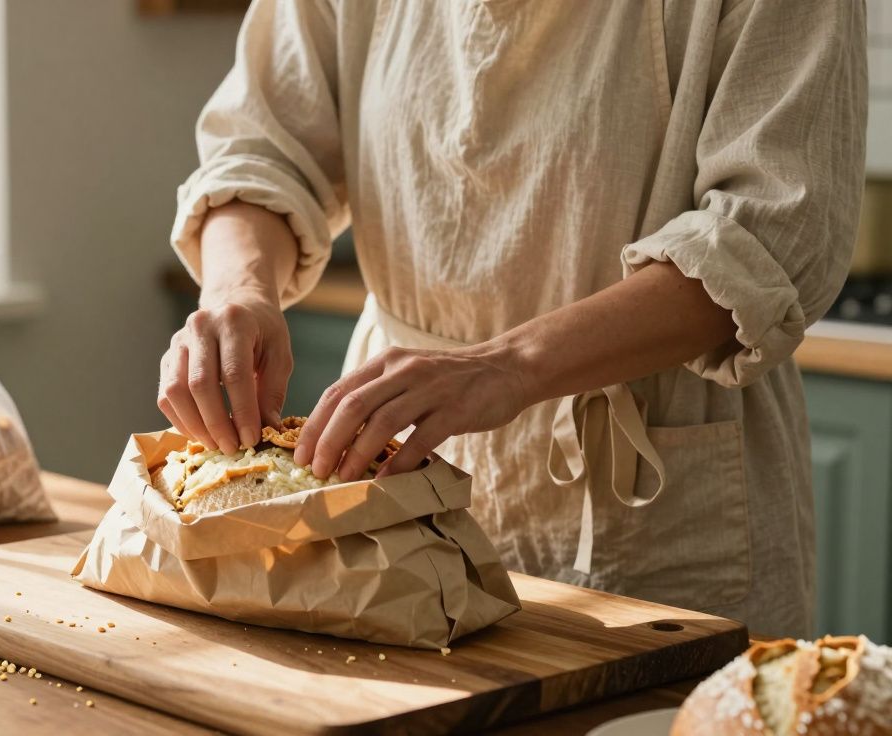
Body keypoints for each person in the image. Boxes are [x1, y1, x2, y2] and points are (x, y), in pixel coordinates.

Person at [157, 0, 867, 638]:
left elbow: (770, 236)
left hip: (656, 498)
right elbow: (261, 147)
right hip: (392, 463)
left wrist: (508, 365)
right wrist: (238, 290)